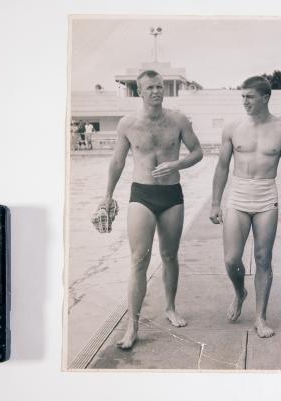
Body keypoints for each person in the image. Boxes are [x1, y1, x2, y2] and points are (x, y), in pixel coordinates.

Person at [101, 70, 203, 349]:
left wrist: (177, 164)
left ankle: (170, 307)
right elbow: (118, 162)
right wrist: (107, 196)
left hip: (171, 194)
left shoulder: (178, 120)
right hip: (142, 193)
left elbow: (197, 151)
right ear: (139, 92)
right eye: (150, 87)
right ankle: (132, 326)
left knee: (169, 255)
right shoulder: (128, 124)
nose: (157, 91)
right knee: (138, 259)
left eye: (159, 86)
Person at [210, 76, 281, 338]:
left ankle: (260, 317)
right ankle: (240, 292)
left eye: (250, 97)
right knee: (231, 259)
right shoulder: (233, 128)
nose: (245, 102)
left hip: (265, 195)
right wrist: (216, 202)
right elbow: (222, 167)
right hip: (238, 195)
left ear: (265, 97)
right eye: (242, 97)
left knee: (263, 259)